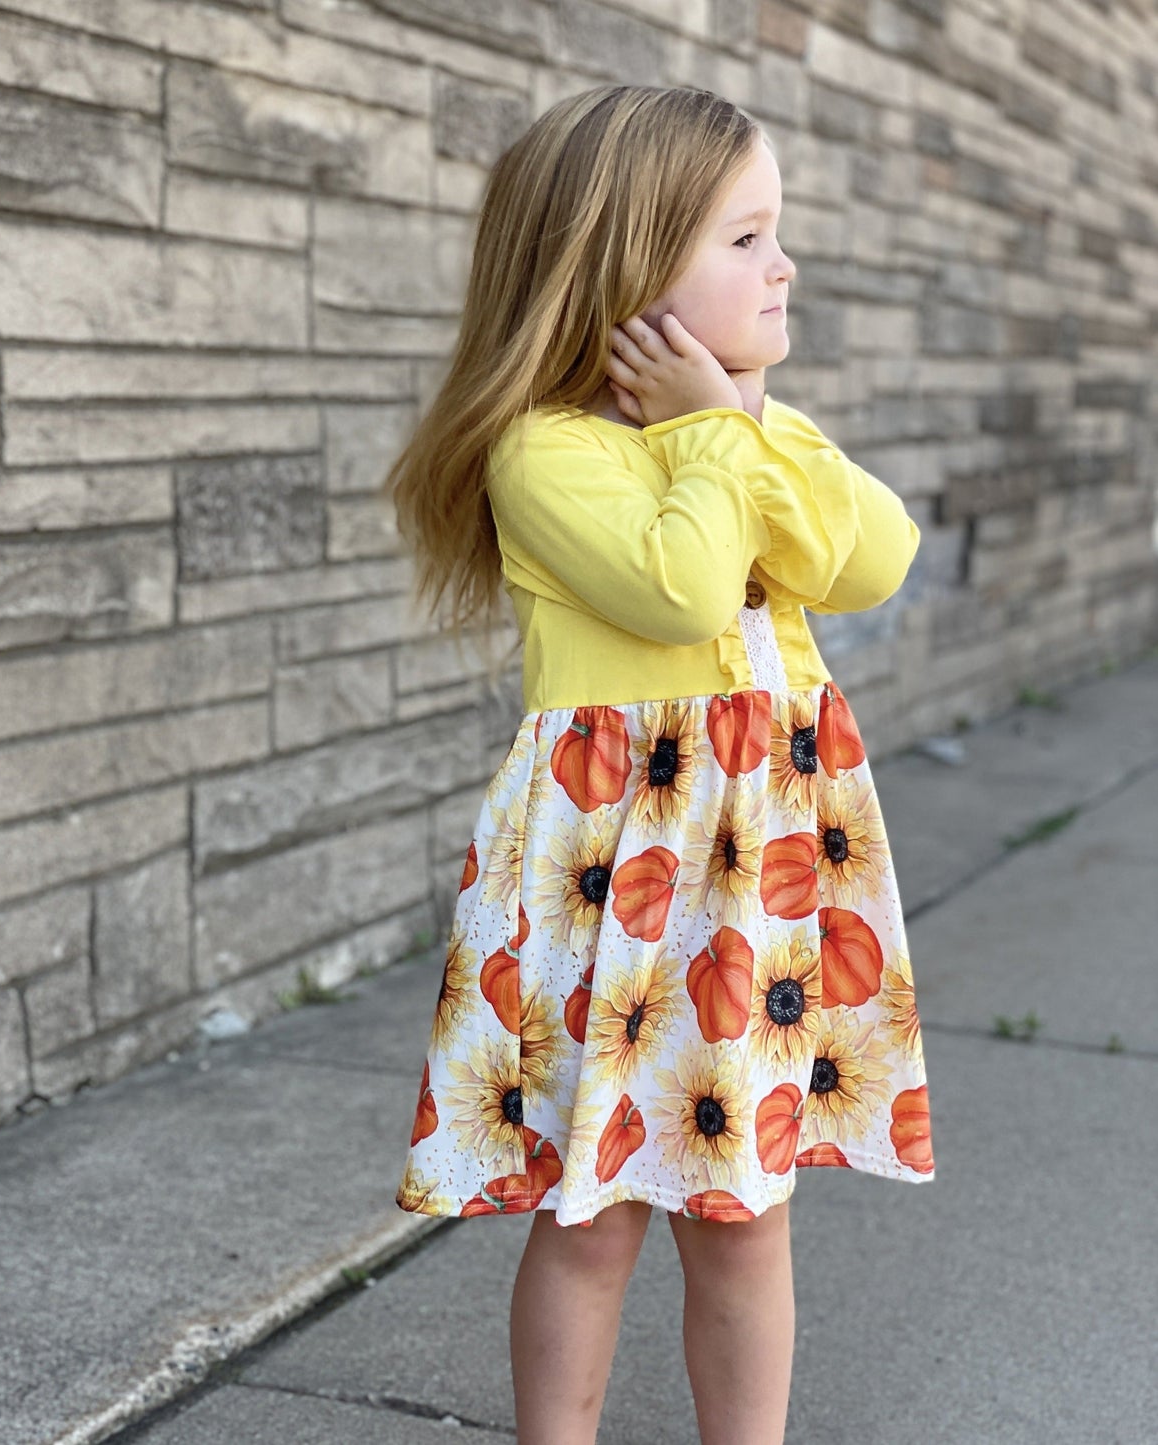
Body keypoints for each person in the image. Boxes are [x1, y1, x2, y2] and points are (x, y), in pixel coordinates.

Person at [385, 85, 936, 1445]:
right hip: (612, 886)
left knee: (745, 1214)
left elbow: (872, 554)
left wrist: (733, 427)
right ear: (620, 277)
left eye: (775, 233)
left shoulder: (749, 432)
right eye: (745, 238)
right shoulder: (546, 452)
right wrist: (709, 434)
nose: (782, 265)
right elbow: (683, 587)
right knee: (595, 1214)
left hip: (755, 883)